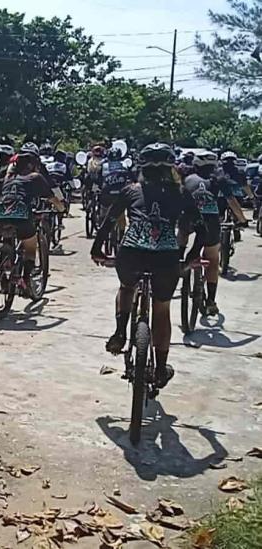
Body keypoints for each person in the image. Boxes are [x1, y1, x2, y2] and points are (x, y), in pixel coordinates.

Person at [91, 143, 207, 389]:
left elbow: (108, 221)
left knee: (126, 287)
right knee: (162, 309)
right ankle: (161, 368)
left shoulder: (130, 190)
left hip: (131, 254)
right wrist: (188, 260)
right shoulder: (181, 193)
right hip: (165, 259)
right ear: (171, 167)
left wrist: (96, 249)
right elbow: (202, 230)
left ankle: (120, 331)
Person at [177, 151, 245, 317]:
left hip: (189, 218)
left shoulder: (187, 179)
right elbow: (232, 202)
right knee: (213, 259)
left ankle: (179, 259)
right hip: (210, 221)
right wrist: (242, 219)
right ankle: (211, 301)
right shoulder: (218, 180)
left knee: (182, 233)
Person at [0, 143, 66, 290]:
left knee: (7, 238)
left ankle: (4, 271)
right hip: (21, 211)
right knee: (30, 247)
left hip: (1, 211)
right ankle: (26, 280)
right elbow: (52, 197)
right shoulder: (35, 177)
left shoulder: (9, 176)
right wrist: (61, 209)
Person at [99, 145, 133, 233]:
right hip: (121, 196)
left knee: (103, 211)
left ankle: (101, 227)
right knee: (124, 213)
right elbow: (131, 178)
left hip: (107, 196)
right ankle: (122, 236)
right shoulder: (125, 165)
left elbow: (98, 180)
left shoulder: (104, 166)